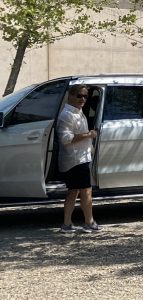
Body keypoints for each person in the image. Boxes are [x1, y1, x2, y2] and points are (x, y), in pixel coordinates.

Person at [57, 84, 100, 233]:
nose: (83, 99)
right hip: (76, 160)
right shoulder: (68, 115)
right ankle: (89, 222)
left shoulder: (78, 112)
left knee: (73, 191)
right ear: (70, 96)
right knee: (86, 192)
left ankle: (67, 224)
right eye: (79, 96)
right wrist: (89, 135)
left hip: (79, 158)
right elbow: (65, 138)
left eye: (85, 96)